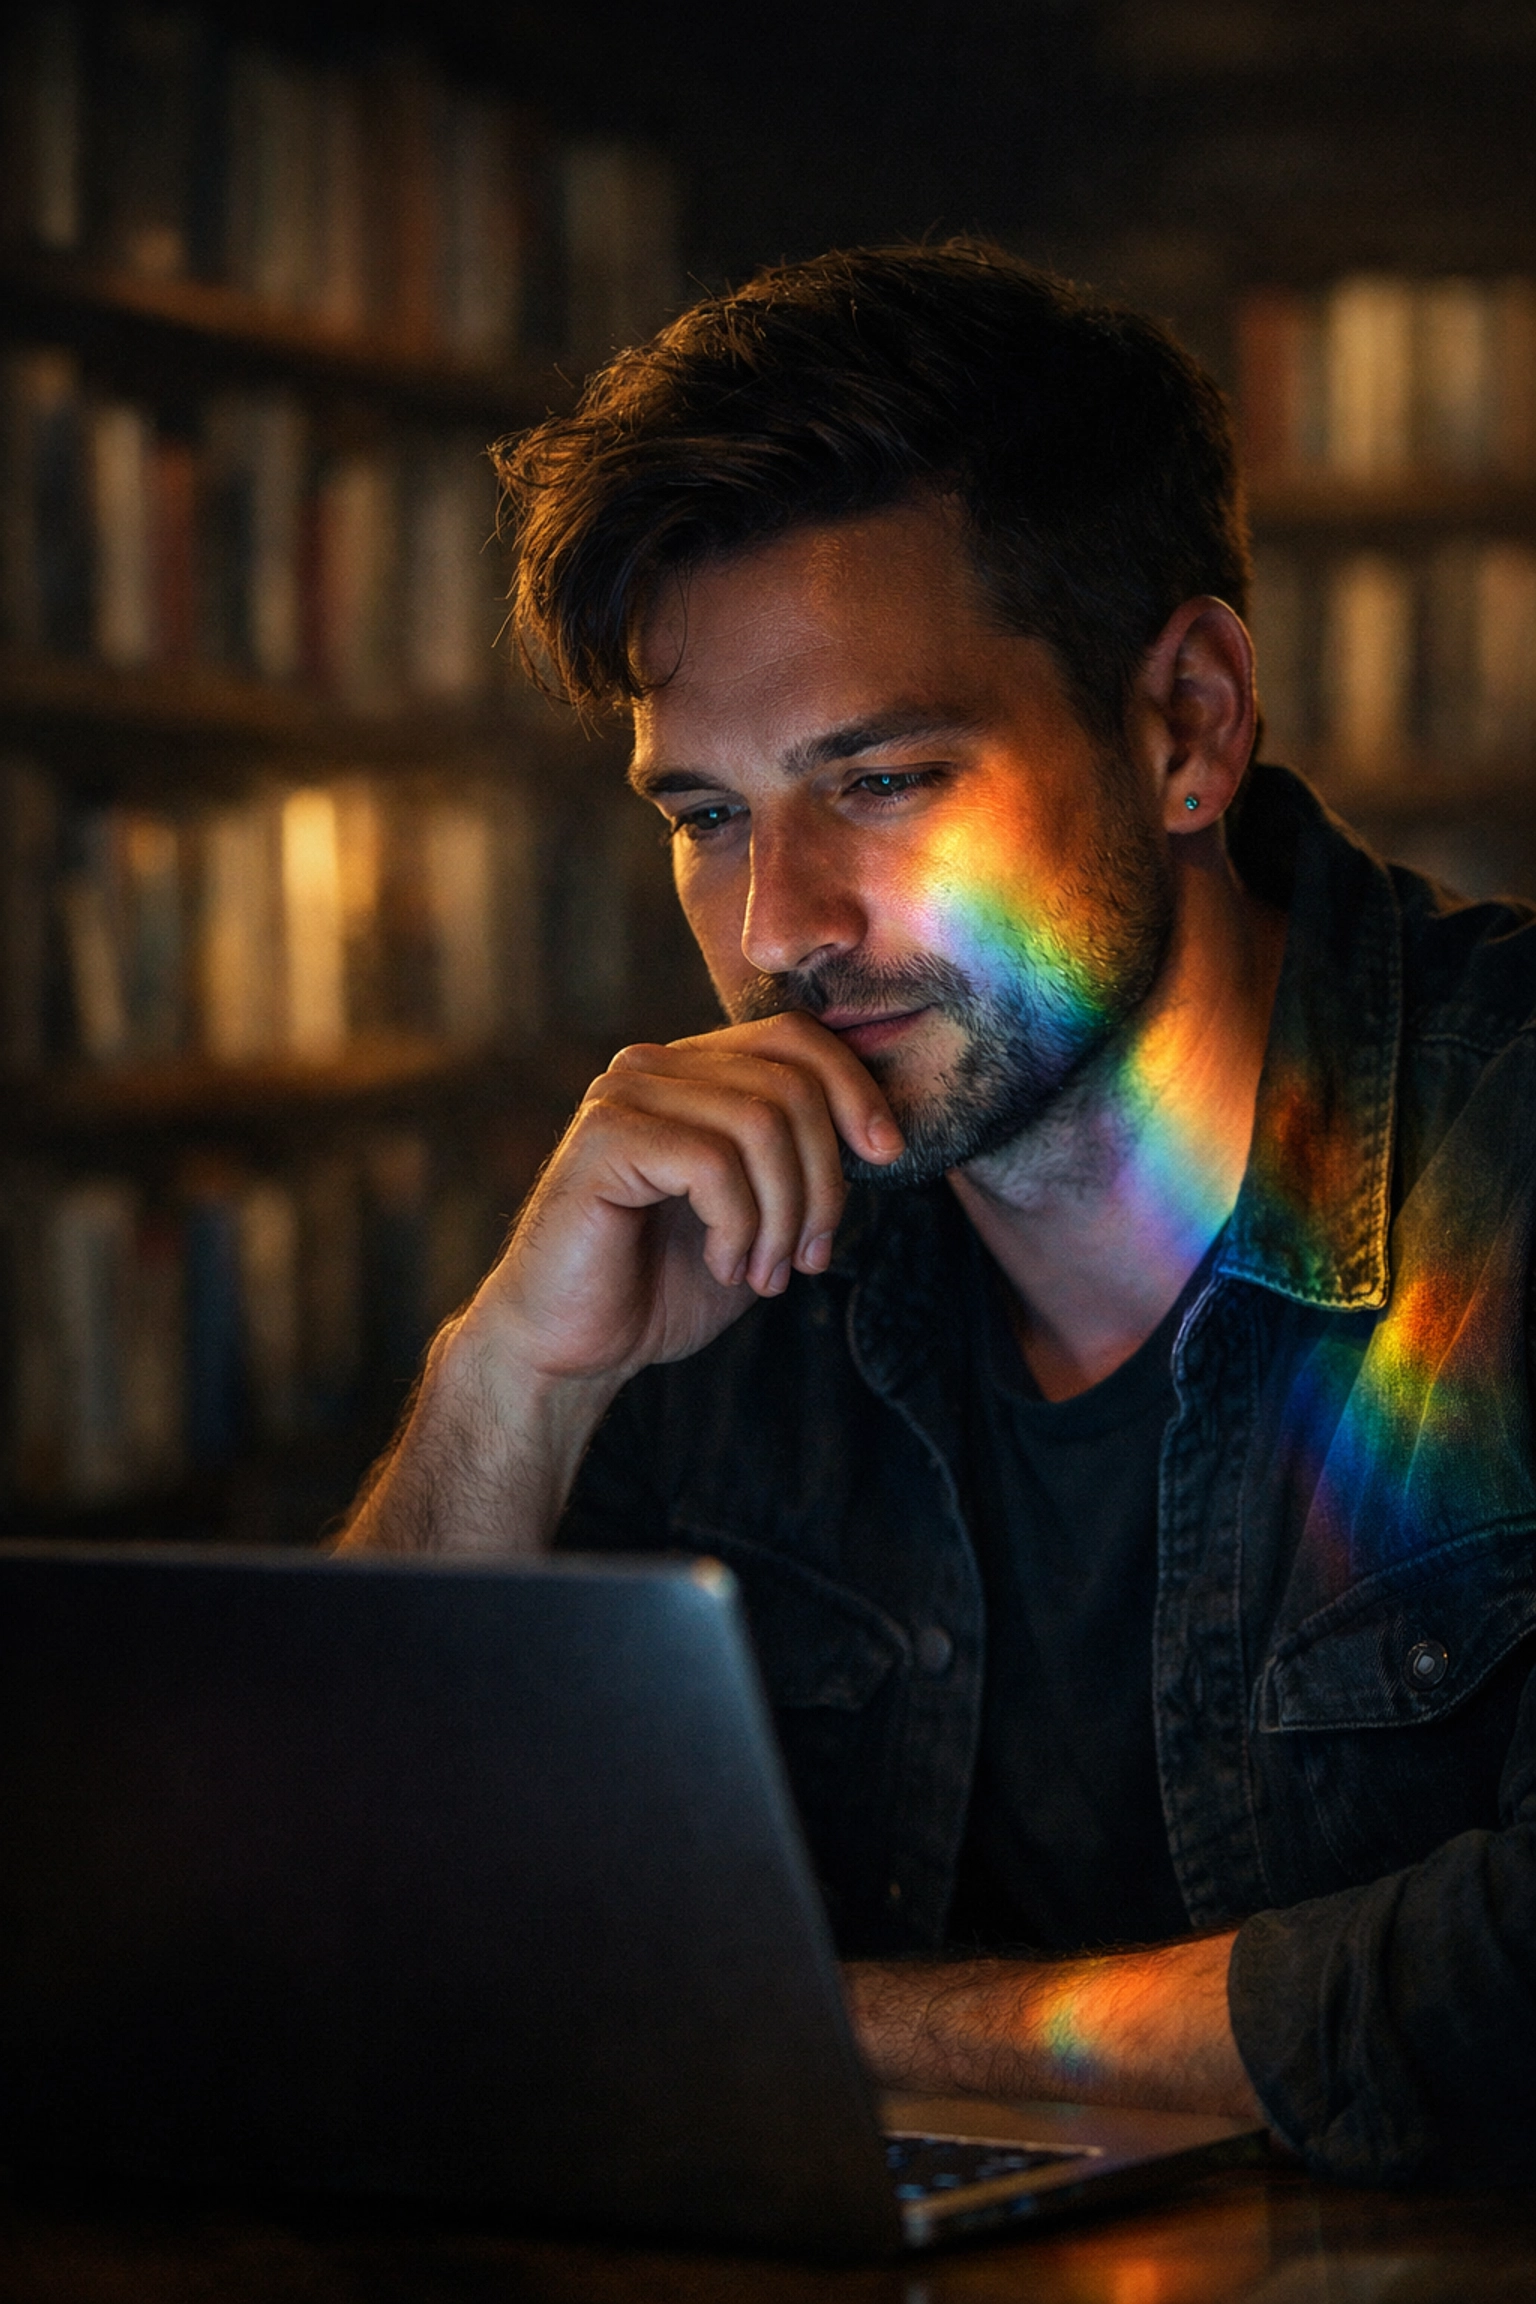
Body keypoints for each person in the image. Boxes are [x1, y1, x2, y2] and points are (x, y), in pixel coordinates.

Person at [340, 242, 1536, 2185]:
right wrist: (511, 1378)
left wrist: (843, 2017)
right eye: (704, 816)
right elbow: (332, 1943)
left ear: (1188, 725)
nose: (774, 929)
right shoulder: (710, 1233)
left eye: (882, 781)